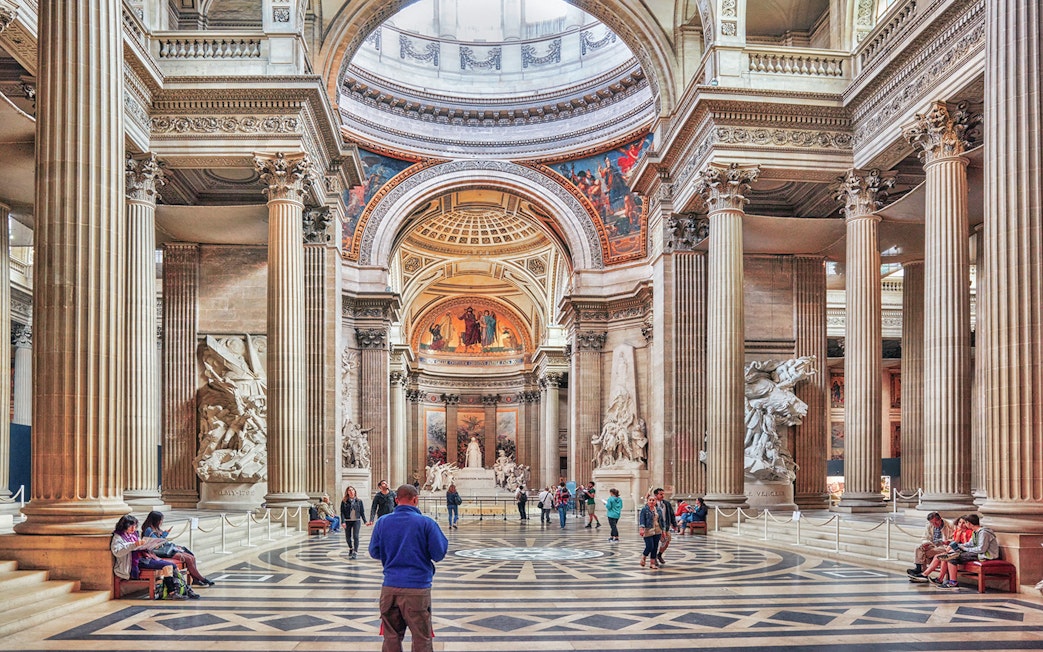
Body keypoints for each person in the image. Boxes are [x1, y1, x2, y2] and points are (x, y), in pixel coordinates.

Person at [369, 484, 449, 652]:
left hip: (389, 588)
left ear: (396, 500)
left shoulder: (382, 522)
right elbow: (439, 554)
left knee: (391, 637)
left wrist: (391, 553)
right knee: (421, 638)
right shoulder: (426, 523)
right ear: (416, 499)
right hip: (417, 588)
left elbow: (374, 552)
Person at [111, 514, 200, 599]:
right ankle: (175, 591)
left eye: (135, 526)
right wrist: (133, 545)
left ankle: (180, 590)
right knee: (169, 565)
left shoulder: (133, 534)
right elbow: (117, 551)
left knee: (171, 565)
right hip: (133, 563)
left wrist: (150, 545)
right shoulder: (118, 537)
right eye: (131, 526)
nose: (134, 528)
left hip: (144, 557)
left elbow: (140, 546)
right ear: (124, 526)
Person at [141, 511, 214, 586]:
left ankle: (195, 579)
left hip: (165, 549)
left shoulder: (156, 528)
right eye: (160, 520)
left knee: (191, 557)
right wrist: (164, 535)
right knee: (188, 559)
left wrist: (164, 535)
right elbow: (156, 541)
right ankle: (202, 578)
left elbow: (161, 540)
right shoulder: (148, 529)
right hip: (159, 552)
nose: (161, 522)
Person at [934, 514, 999, 590]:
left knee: (952, 558)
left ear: (969, 523)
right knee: (950, 554)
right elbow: (970, 544)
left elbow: (981, 549)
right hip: (977, 553)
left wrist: (965, 549)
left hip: (985, 555)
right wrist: (960, 546)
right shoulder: (975, 532)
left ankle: (953, 582)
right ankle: (945, 580)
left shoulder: (983, 533)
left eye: (965, 522)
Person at [907, 511, 954, 577]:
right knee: (919, 547)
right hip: (933, 545)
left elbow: (954, 539)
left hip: (944, 547)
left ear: (940, 519)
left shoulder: (950, 524)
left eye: (936, 522)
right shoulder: (929, 525)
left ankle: (922, 572)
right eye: (932, 523)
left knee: (923, 554)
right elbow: (925, 537)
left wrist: (947, 541)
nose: (934, 524)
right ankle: (918, 569)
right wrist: (925, 543)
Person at [340, 485, 366, 559]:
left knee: (356, 536)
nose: (351, 491)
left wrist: (365, 521)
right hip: (347, 520)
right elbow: (342, 512)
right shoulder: (344, 501)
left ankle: (355, 552)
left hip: (356, 520)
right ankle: (351, 548)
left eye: (352, 490)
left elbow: (362, 512)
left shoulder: (359, 501)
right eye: (349, 490)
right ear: (347, 492)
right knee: (348, 537)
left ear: (355, 491)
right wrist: (343, 521)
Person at [638, 494, 662, 569]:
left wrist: (663, 530)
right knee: (649, 546)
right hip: (648, 529)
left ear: (656, 501)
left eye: (653, 500)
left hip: (657, 530)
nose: (651, 501)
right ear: (648, 501)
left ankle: (652, 563)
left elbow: (661, 521)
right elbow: (642, 519)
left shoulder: (658, 510)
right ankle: (644, 557)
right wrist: (641, 528)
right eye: (650, 500)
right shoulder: (644, 509)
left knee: (655, 547)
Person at [654, 488, 676, 566]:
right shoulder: (653, 503)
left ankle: (659, 554)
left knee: (667, 541)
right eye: (661, 494)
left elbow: (671, 514)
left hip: (665, 526)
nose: (663, 496)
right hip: (656, 526)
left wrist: (674, 524)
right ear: (656, 495)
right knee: (655, 542)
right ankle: (653, 558)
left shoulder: (667, 503)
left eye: (663, 494)